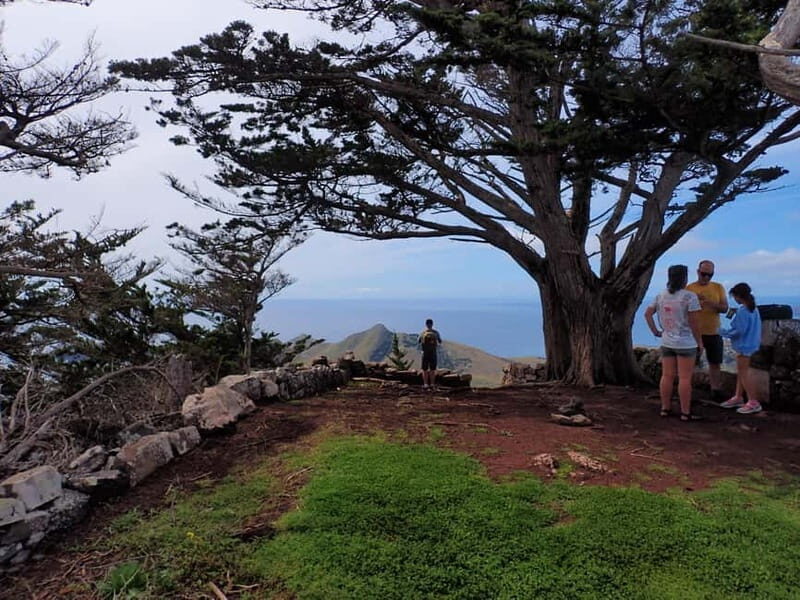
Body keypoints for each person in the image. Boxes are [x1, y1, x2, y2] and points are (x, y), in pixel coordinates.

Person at [644, 264, 704, 421]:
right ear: (684, 278)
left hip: (667, 341)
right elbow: (694, 323)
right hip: (686, 343)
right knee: (684, 379)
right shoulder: (689, 297)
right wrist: (700, 342)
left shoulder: (661, 296)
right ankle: (685, 412)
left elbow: (648, 314)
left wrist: (656, 331)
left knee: (667, 376)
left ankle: (665, 408)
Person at [686, 260, 728, 401]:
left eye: (710, 275)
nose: (706, 278)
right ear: (698, 272)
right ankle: (687, 390)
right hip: (694, 333)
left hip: (714, 332)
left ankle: (715, 390)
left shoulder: (718, 288)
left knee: (715, 362)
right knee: (690, 363)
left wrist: (710, 303)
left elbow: (724, 308)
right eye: (704, 274)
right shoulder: (689, 288)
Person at [718, 282, 763, 414]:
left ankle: (753, 401)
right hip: (751, 343)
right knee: (741, 372)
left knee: (744, 373)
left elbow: (739, 331)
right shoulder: (753, 308)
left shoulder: (743, 311)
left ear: (738, 296)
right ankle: (738, 397)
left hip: (744, 345)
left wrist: (722, 332)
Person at [418, 318, 442, 391]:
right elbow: (440, 341)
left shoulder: (422, 333)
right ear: (432, 324)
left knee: (424, 369)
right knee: (432, 369)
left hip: (425, 353)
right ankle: (432, 384)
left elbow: (418, 341)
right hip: (433, 352)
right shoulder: (436, 332)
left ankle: (425, 384)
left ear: (426, 324)